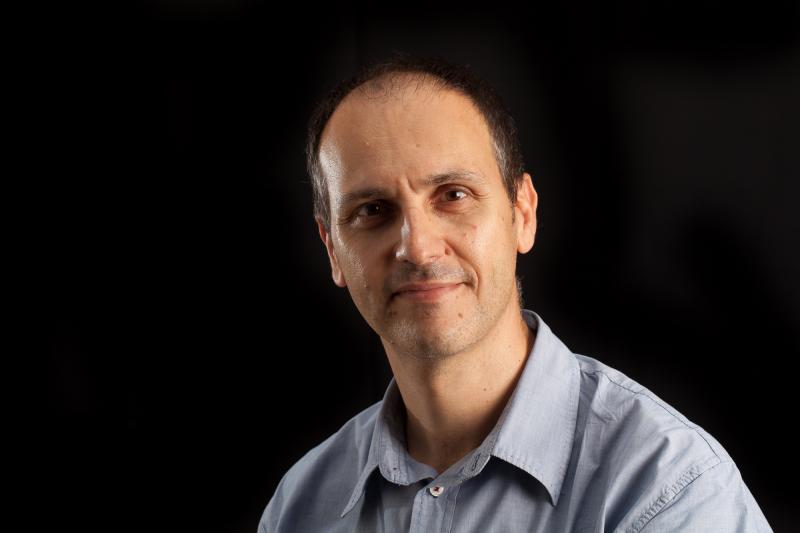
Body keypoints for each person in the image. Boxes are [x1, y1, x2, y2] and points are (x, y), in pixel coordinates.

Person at [258, 54, 773, 532]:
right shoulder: (300, 507)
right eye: (372, 210)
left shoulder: (666, 489)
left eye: (453, 195)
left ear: (522, 214)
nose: (417, 247)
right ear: (332, 249)